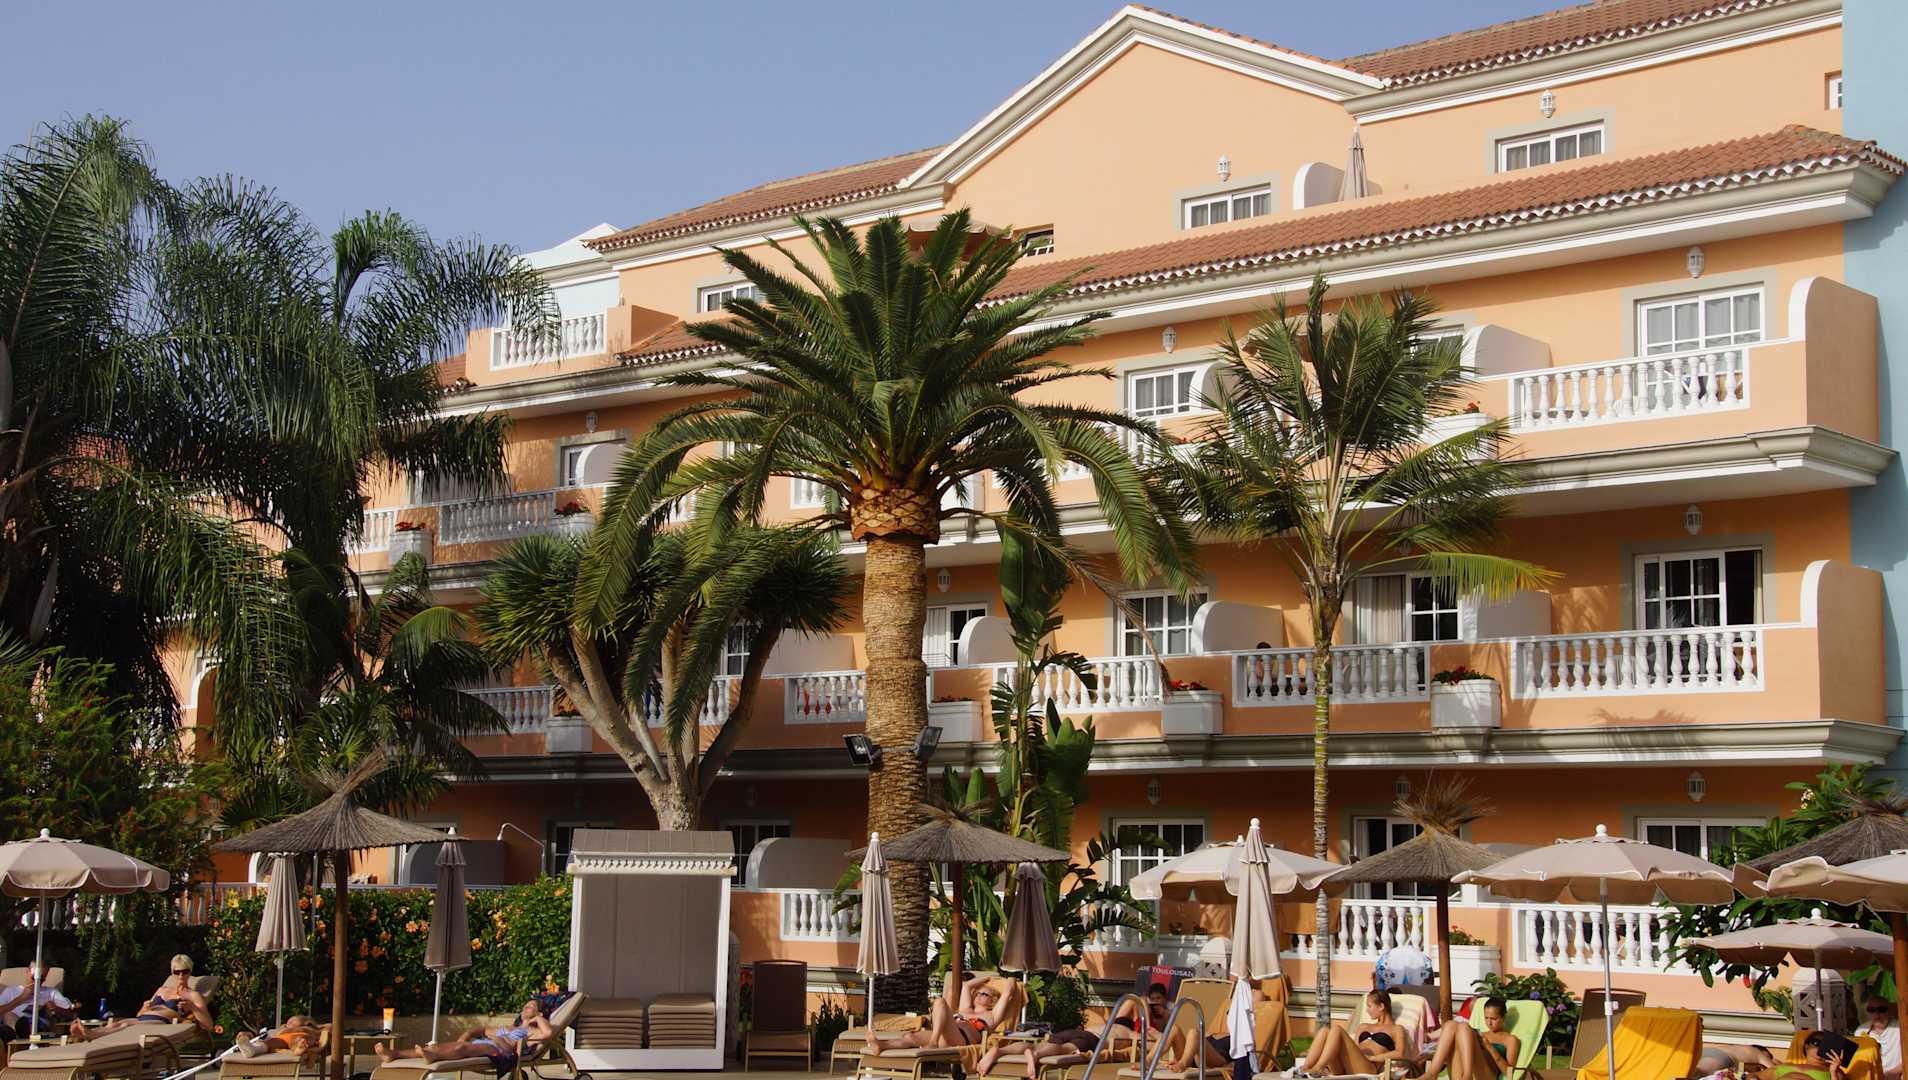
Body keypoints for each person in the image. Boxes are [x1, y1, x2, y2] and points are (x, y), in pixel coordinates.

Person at [974, 985, 1171, 1080]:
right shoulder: (1131, 1033)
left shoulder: (1119, 1025)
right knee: (1062, 1049)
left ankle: (1000, 1051)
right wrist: (1151, 1026)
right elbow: (1139, 1003)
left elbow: (1136, 1001)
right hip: (1090, 1039)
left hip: (1082, 1032)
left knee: (1044, 1045)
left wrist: (1155, 1016)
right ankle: (1035, 1055)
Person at [377, 1000, 551, 1070]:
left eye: (530, 1006)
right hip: (484, 1043)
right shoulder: (510, 1027)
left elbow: (548, 1033)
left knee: (461, 1047)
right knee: (453, 1045)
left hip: (497, 1050)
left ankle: (432, 1055)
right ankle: (395, 1054)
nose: (525, 1007)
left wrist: (537, 1019)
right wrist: (467, 1033)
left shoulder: (532, 1032)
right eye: (525, 1005)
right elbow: (483, 1030)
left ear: (539, 1013)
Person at [72, 956, 212, 1040]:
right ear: (172, 972)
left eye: (185, 971)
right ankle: (89, 1033)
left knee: (125, 1026)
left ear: (190, 972)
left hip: (161, 1023)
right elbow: (139, 1014)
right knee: (115, 1024)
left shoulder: (193, 995)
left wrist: (192, 1007)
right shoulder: (161, 990)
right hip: (142, 1019)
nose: (181, 975)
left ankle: (89, 1035)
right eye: (177, 972)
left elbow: (208, 1024)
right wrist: (145, 1008)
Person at [873, 973, 1015, 1052]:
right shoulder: (966, 1009)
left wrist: (999, 978)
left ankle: (933, 1042)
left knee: (940, 1002)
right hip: (944, 1034)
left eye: (984, 994)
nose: (978, 995)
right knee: (911, 1037)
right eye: (977, 993)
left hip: (961, 1039)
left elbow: (1009, 990)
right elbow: (967, 986)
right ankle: (881, 1045)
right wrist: (988, 977)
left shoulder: (991, 1016)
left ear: (992, 1001)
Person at [1290, 989, 1409, 1079]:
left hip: (1367, 1067)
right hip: (1346, 1067)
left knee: (1336, 1029)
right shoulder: (1363, 1026)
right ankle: (1305, 1068)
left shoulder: (1396, 1029)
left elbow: (1400, 1053)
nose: (1367, 1010)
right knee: (1325, 1030)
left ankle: (1318, 1068)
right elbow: (1353, 1048)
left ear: (1381, 1006)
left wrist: (1373, 1058)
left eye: (1369, 1006)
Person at [1415, 996, 1521, 1080]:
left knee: (1464, 1026)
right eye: (1486, 1018)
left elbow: (1509, 1073)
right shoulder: (1481, 1034)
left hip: (1487, 1076)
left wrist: (1489, 1047)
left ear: (1503, 1018)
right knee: (1451, 1024)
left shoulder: (1511, 1040)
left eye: (1493, 1019)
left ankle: (1467, 1075)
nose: (1489, 1022)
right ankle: (1432, 1073)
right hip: (1460, 1074)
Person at [0, 965, 76, 1039]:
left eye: (41, 979)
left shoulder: (51, 992)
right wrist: (21, 998)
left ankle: (24, 1035)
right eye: (33, 978)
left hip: (39, 1026)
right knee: (8, 1015)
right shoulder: (11, 991)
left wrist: (56, 1008)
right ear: (27, 972)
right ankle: (20, 1035)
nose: (37, 981)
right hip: (14, 1028)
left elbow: (72, 1014)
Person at [233, 1016, 323, 1060]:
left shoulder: (306, 1030)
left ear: (305, 1023)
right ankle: (250, 1047)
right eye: (289, 1021)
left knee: (300, 1041)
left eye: (293, 1021)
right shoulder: (281, 1030)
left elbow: (320, 1034)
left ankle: (299, 1050)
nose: (290, 1022)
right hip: (281, 1041)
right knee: (267, 1042)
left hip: (295, 1039)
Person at [1860, 998, 1901, 1080]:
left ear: (1890, 1011)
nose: (1876, 1014)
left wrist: (1892, 1073)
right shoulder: (1860, 1031)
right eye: (1871, 1010)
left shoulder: (1900, 1029)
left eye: (1882, 1009)